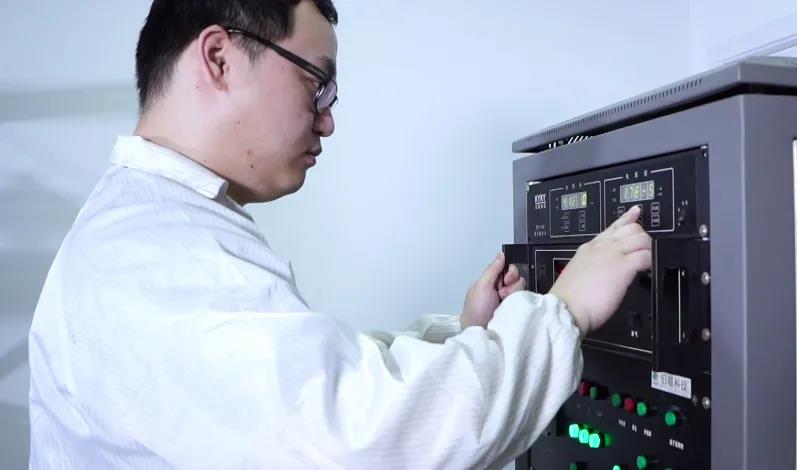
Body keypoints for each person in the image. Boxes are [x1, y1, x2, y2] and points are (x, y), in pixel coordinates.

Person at [27, 1, 652, 468]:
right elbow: (363, 441)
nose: (326, 121)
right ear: (218, 58)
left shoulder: (153, 228)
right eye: (315, 82)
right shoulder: (156, 254)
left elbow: (313, 376)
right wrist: (563, 310)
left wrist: (467, 334)